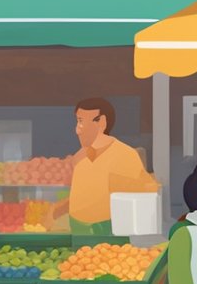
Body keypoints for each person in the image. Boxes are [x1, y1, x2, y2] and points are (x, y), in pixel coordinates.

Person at [52, 97, 154, 236]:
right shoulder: (81, 159)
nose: (77, 130)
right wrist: (58, 210)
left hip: (109, 240)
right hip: (79, 237)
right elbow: (87, 196)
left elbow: (139, 202)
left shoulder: (124, 156)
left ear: (101, 122)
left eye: (81, 122)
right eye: (77, 121)